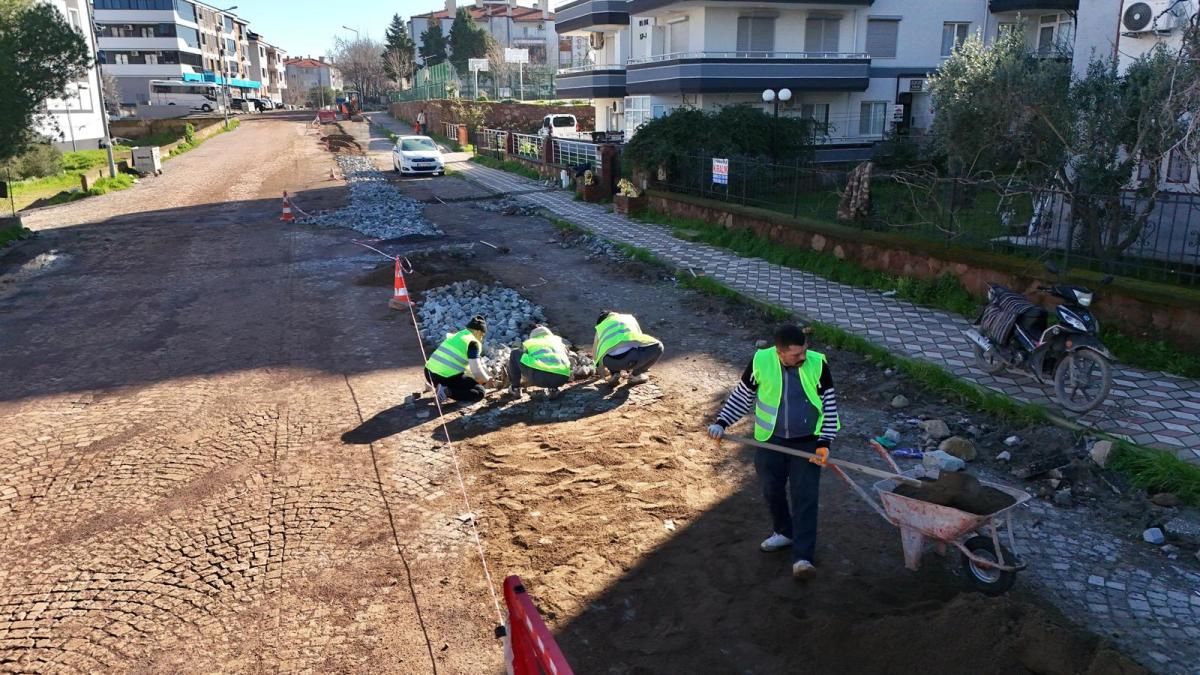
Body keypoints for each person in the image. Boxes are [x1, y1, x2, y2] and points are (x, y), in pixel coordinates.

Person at [707, 324, 839, 580]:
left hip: (808, 442)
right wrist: (722, 422)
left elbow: (829, 406)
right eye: (795, 355)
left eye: (804, 351)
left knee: (805, 497)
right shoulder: (761, 361)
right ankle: (784, 532)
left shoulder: (817, 365)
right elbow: (742, 396)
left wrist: (824, 443)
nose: (802, 358)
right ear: (779, 352)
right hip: (771, 440)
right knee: (771, 489)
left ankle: (803, 558)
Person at [424, 315, 490, 404]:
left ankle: (440, 387)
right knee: (479, 392)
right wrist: (486, 380)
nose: (481, 338)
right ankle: (446, 391)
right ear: (478, 331)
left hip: (429, 374)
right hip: (444, 377)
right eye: (482, 335)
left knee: (465, 379)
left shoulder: (456, 335)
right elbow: (476, 370)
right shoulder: (473, 343)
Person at [592, 311, 664, 387]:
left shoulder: (600, 328)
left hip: (609, 362)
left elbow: (595, 352)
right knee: (659, 346)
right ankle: (636, 375)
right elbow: (639, 338)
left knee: (608, 349)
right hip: (631, 360)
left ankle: (614, 373)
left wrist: (601, 371)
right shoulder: (628, 318)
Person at [507, 326, 572, 399]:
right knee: (553, 364)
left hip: (541, 377)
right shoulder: (557, 342)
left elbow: (524, 361)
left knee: (515, 353)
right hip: (563, 377)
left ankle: (515, 389)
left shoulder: (531, 342)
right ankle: (553, 389)